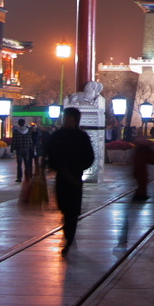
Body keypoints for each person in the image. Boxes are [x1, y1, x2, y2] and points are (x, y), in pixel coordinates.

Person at [47, 108, 95, 257]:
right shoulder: (57, 135)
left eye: (68, 118)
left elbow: (89, 158)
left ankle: (69, 239)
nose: (65, 120)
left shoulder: (81, 137)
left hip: (74, 179)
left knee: (72, 211)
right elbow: (50, 153)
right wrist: (56, 166)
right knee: (63, 208)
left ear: (75, 120)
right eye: (64, 117)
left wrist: (75, 168)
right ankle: (68, 234)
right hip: (61, 178)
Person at [11, 118, 34, 182]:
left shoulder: (16, 131)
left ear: (18, 123)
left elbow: (14, 140)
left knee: (19, 164)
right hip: (27, 149)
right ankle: (28, 176)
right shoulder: (28, 130)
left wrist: (12, 148)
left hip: (19, 149)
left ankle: (19, 177)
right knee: (27, 163)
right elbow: (30, 140)